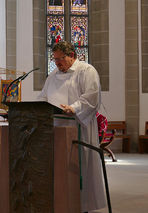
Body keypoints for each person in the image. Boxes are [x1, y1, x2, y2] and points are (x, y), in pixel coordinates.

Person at [38, 41, 107, 212]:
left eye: (61, 59)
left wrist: (73, 108)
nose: (57, 63)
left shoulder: (86, 71)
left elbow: (91, 97)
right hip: (55, 129)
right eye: (55, 59)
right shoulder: (53, 75)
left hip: (78, 127)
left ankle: (82, 206)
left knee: (79, 168)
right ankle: (60, 203)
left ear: (73, 56)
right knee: (58, 168)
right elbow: (43, 98)